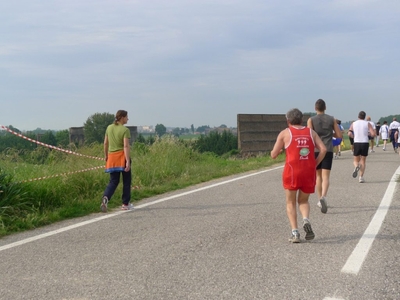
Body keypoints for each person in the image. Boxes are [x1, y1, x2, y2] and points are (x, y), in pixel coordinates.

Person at [271, 108, 327, 243]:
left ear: (288, 121)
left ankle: (295, 233)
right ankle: (306, 219)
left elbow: (273, 154)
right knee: (303, 200)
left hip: (291, 172)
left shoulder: (285, 133)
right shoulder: (311, 132)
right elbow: (324, 149)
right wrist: (314, 163)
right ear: (302, 120)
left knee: (290, 202)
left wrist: (279, 151)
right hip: (308, 171)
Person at [307, 99, 342, 214]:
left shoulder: (311, 120)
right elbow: (339, 135)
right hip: (327, 149)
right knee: (326, 176)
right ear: (325, 107)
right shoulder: (331, 119)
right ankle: (324, 197)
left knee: (318, 176)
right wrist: (329, 133)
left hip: (316, 150)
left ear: (315, 108)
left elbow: (310, 134)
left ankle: (319, 199)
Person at [101, 110, 134, 212]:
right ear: (122, 117)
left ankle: (106, 197)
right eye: (127, 117)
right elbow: (125, 146)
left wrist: (106, 155)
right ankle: (125, 204)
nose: (128, 119)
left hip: (111, 157)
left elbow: (105, 143)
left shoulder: (109, 127)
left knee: (113, 181)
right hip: (122, 157)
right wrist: (127, 161)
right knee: (126, 181)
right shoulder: (125, 130)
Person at [348, 111, 375, 183]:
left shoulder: (353, 123)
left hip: (357, 142)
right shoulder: (367, 123)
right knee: (363, 160)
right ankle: (361, 177)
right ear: (364, 117)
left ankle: (356, 166)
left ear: (358, 116)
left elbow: (349, 133)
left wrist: (353, 136)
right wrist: (368, 134)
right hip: (365, 142)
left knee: (355, 160)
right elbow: (373, 134)